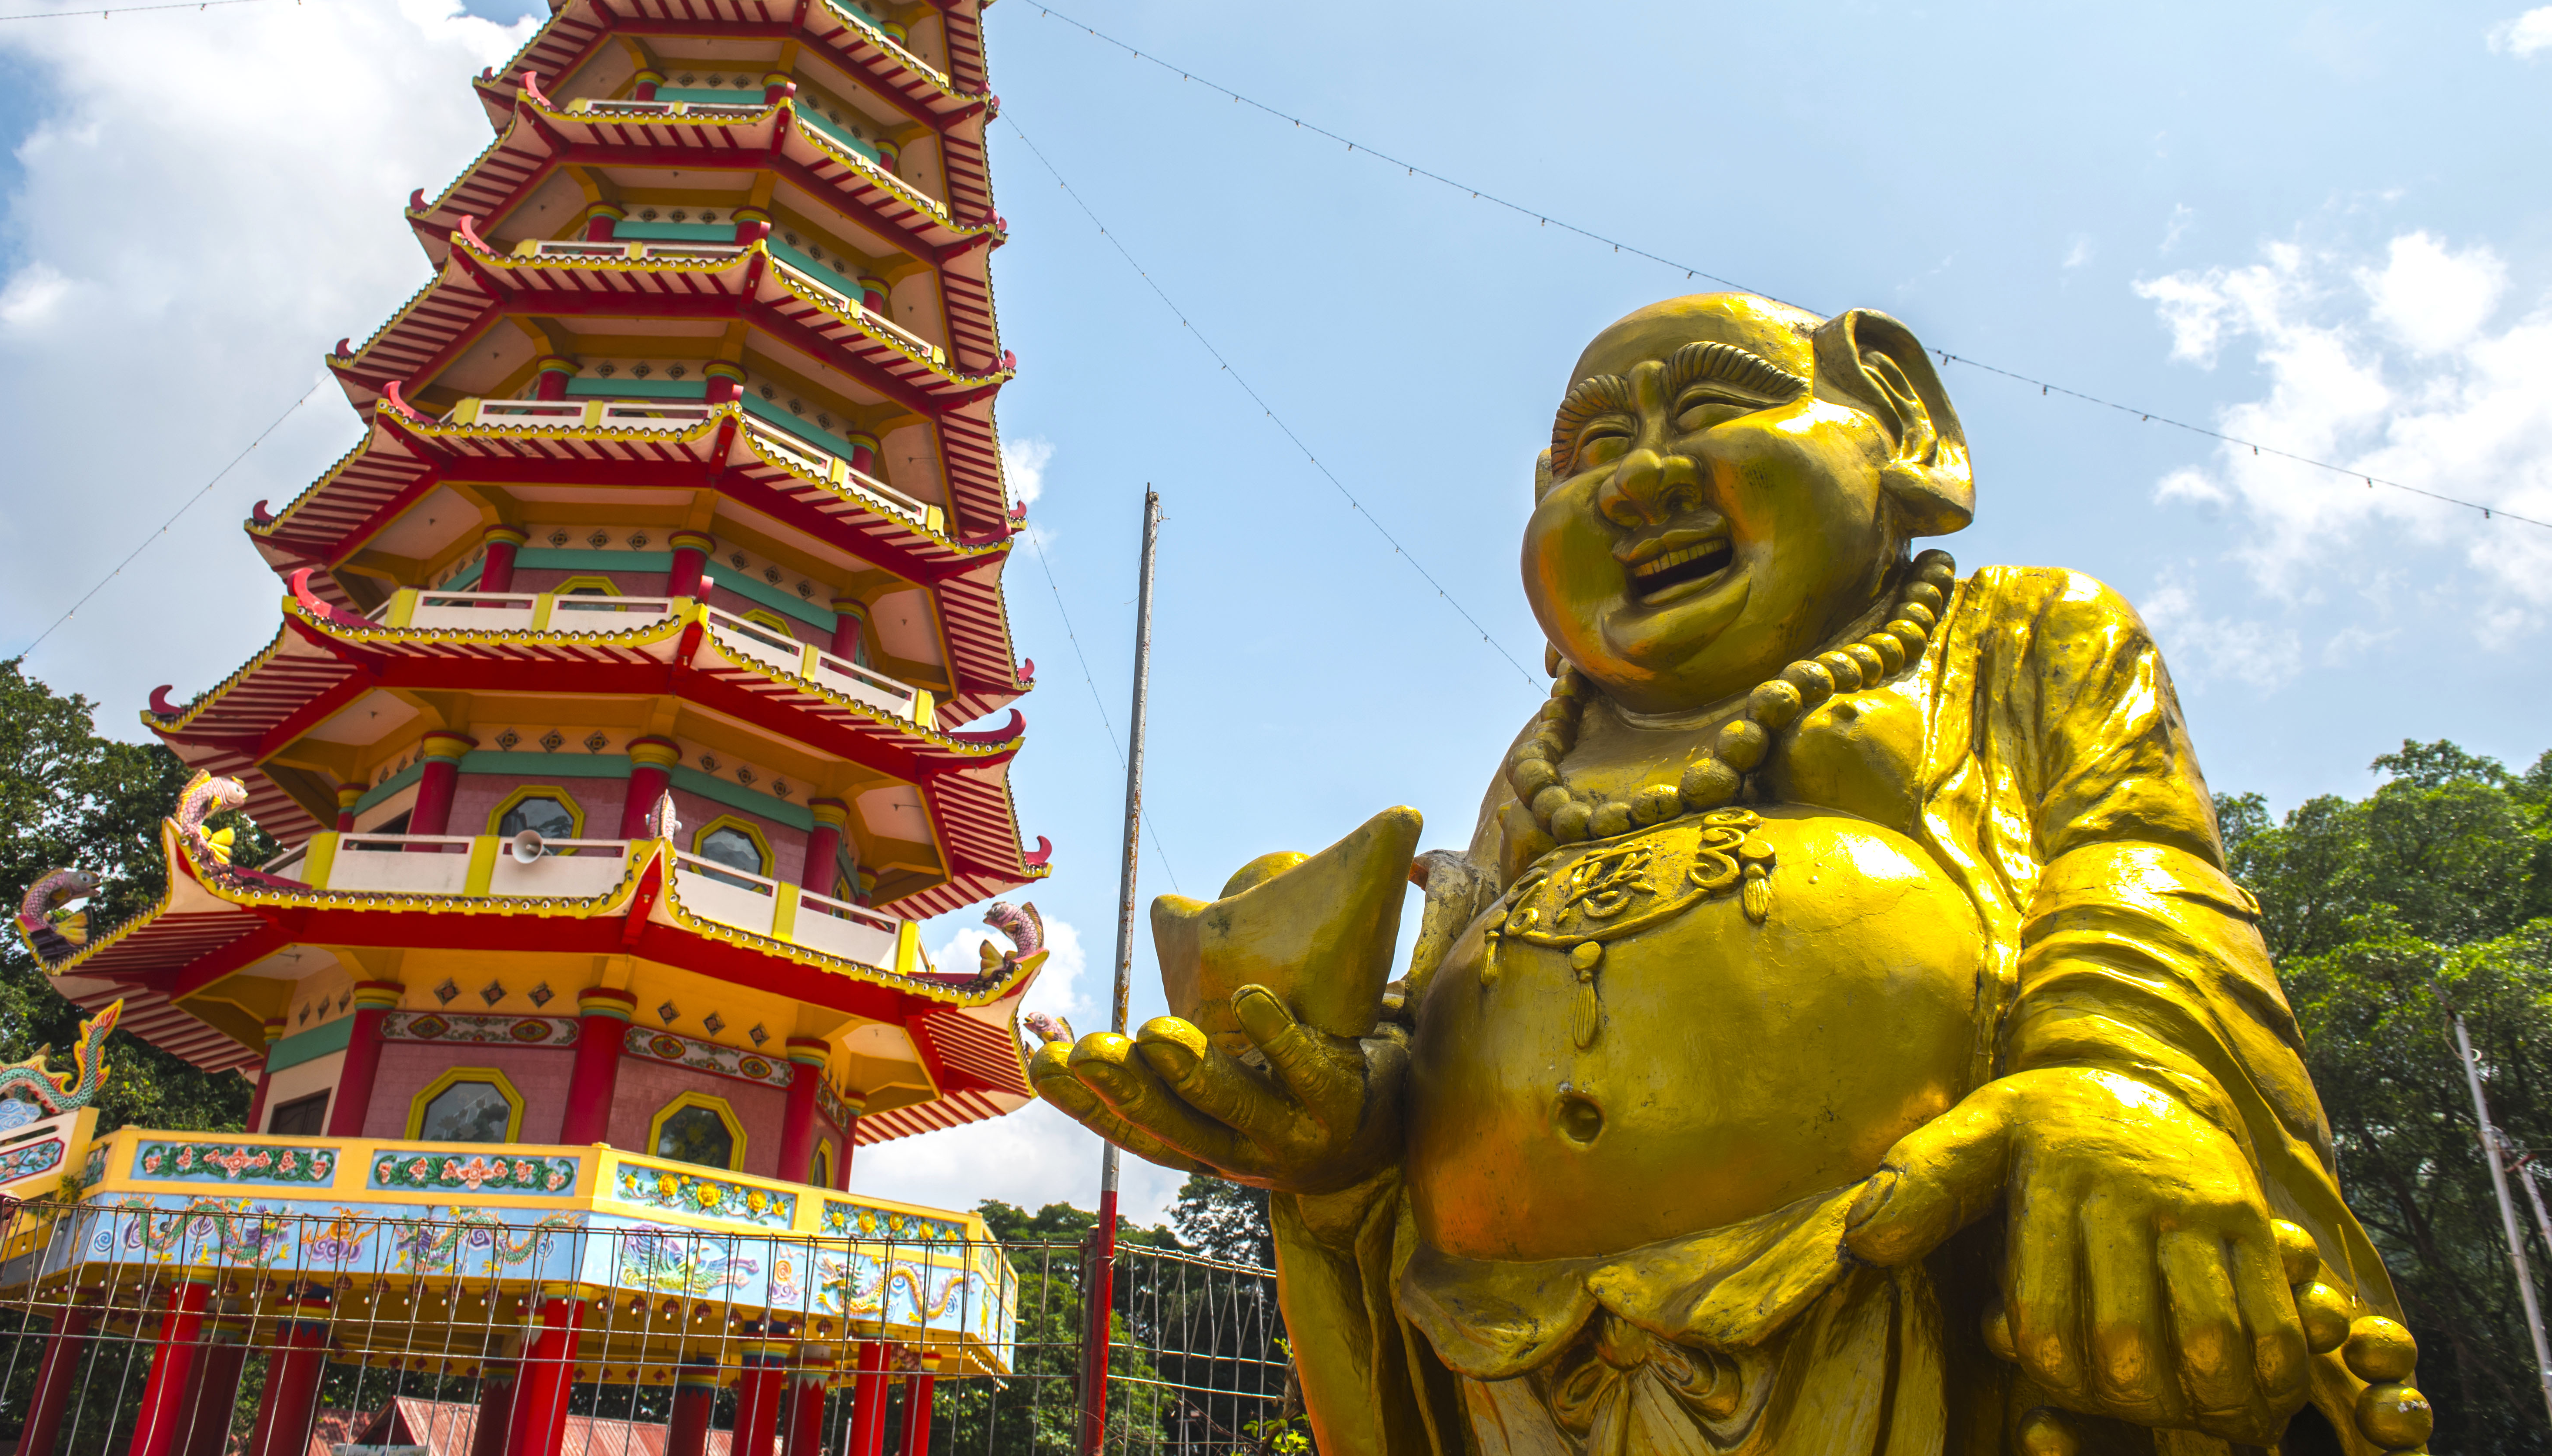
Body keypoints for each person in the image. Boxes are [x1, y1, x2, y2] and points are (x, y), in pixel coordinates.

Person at [1036, 293, 2424, 1456]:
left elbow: (2138, 865)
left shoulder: (2018, 636)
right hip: (1527, 1351)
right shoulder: (1551, 757)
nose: (1637, 480)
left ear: (1904, 432)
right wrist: (1338, 1131)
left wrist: (2116, 1080)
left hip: (1907, 1299)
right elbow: (1456, 1014)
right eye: (1592, 451)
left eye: (1708, 416)